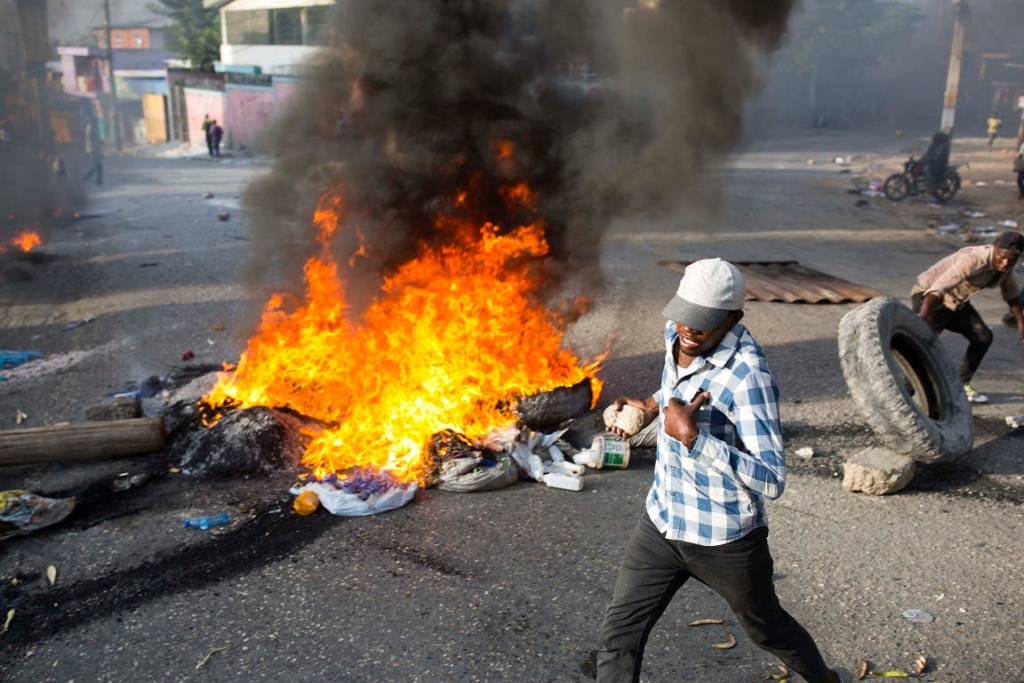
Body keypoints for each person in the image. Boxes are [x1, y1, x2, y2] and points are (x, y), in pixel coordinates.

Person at [596, 258, 851, 683]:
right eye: (684, 316)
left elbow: (772, 478)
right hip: (662, 521)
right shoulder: (677, 334)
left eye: (702, 323)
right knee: (618, 636)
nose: (688, 330)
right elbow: (674, 385)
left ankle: (826, 680)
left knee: (768, 630)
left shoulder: (748, 377)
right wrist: (650, 406)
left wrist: (696, 439)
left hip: (724, 538)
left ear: (733, 317)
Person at [912, 230, 1024, 404]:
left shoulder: (1005, 267)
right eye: (1002, 257)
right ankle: (904, 392)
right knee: (924, 347)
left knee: (983, 336)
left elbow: (1011, 292)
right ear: (995, 248)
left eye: (1012, 260)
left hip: (956, 302)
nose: (1005, 263)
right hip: (930, 299)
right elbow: (939, 287)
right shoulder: (973, 259)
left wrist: (1020, 320)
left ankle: (961, 384)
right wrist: (923, 316)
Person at [82, 118, 103, 186]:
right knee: (97, 166)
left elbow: (96, 139)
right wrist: (99, 141)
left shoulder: (92, 128)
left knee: (97, 166)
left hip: (95, 149)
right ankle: (94, 179)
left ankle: (95, 179)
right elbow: (94, 139)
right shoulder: (90, 129)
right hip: (92, 149)